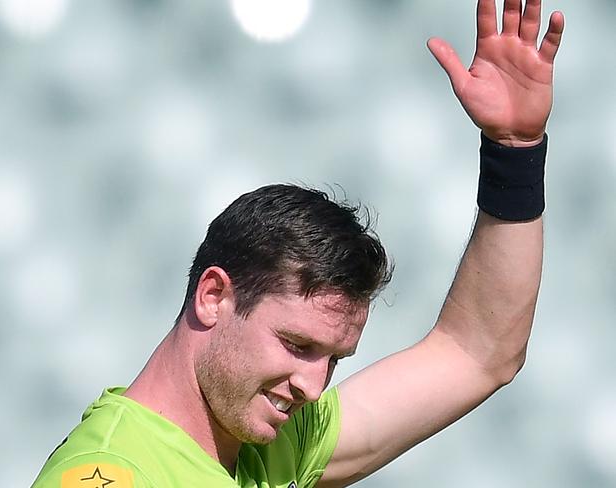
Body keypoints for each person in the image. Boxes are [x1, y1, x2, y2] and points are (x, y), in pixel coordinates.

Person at [32, 0, 565, 486]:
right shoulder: (111, 472)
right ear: (214, 295)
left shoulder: (276, 443)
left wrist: (514, 151)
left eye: (332, 359)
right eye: (298, 345)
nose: (313, 385)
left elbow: (478, 352)